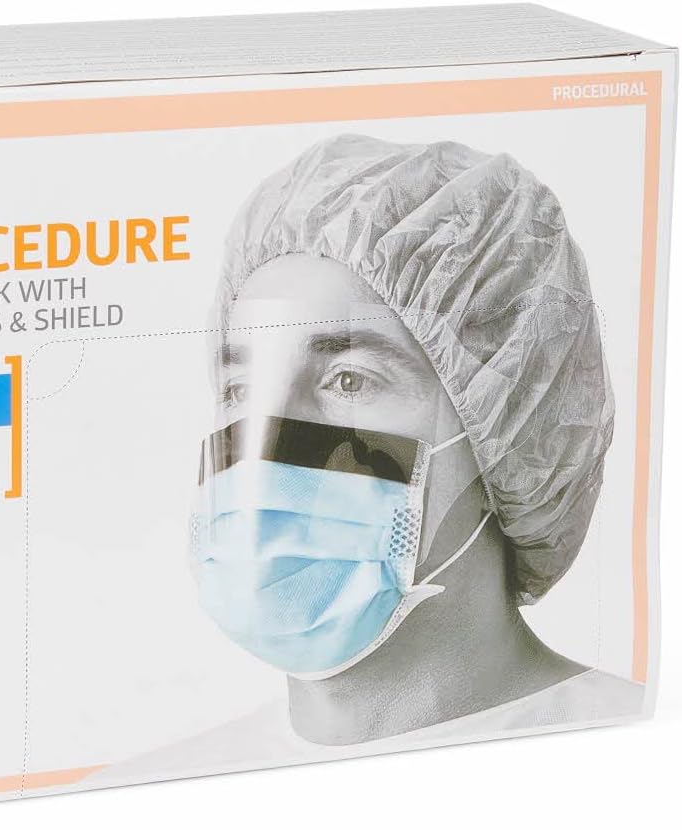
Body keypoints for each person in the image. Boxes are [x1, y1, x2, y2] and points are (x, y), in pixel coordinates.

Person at [91, 134, 643, 785]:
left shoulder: (641, 758)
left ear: (511, 418)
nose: (266, 447)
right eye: (241, 389)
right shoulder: (136, 797)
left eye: (349, 381)